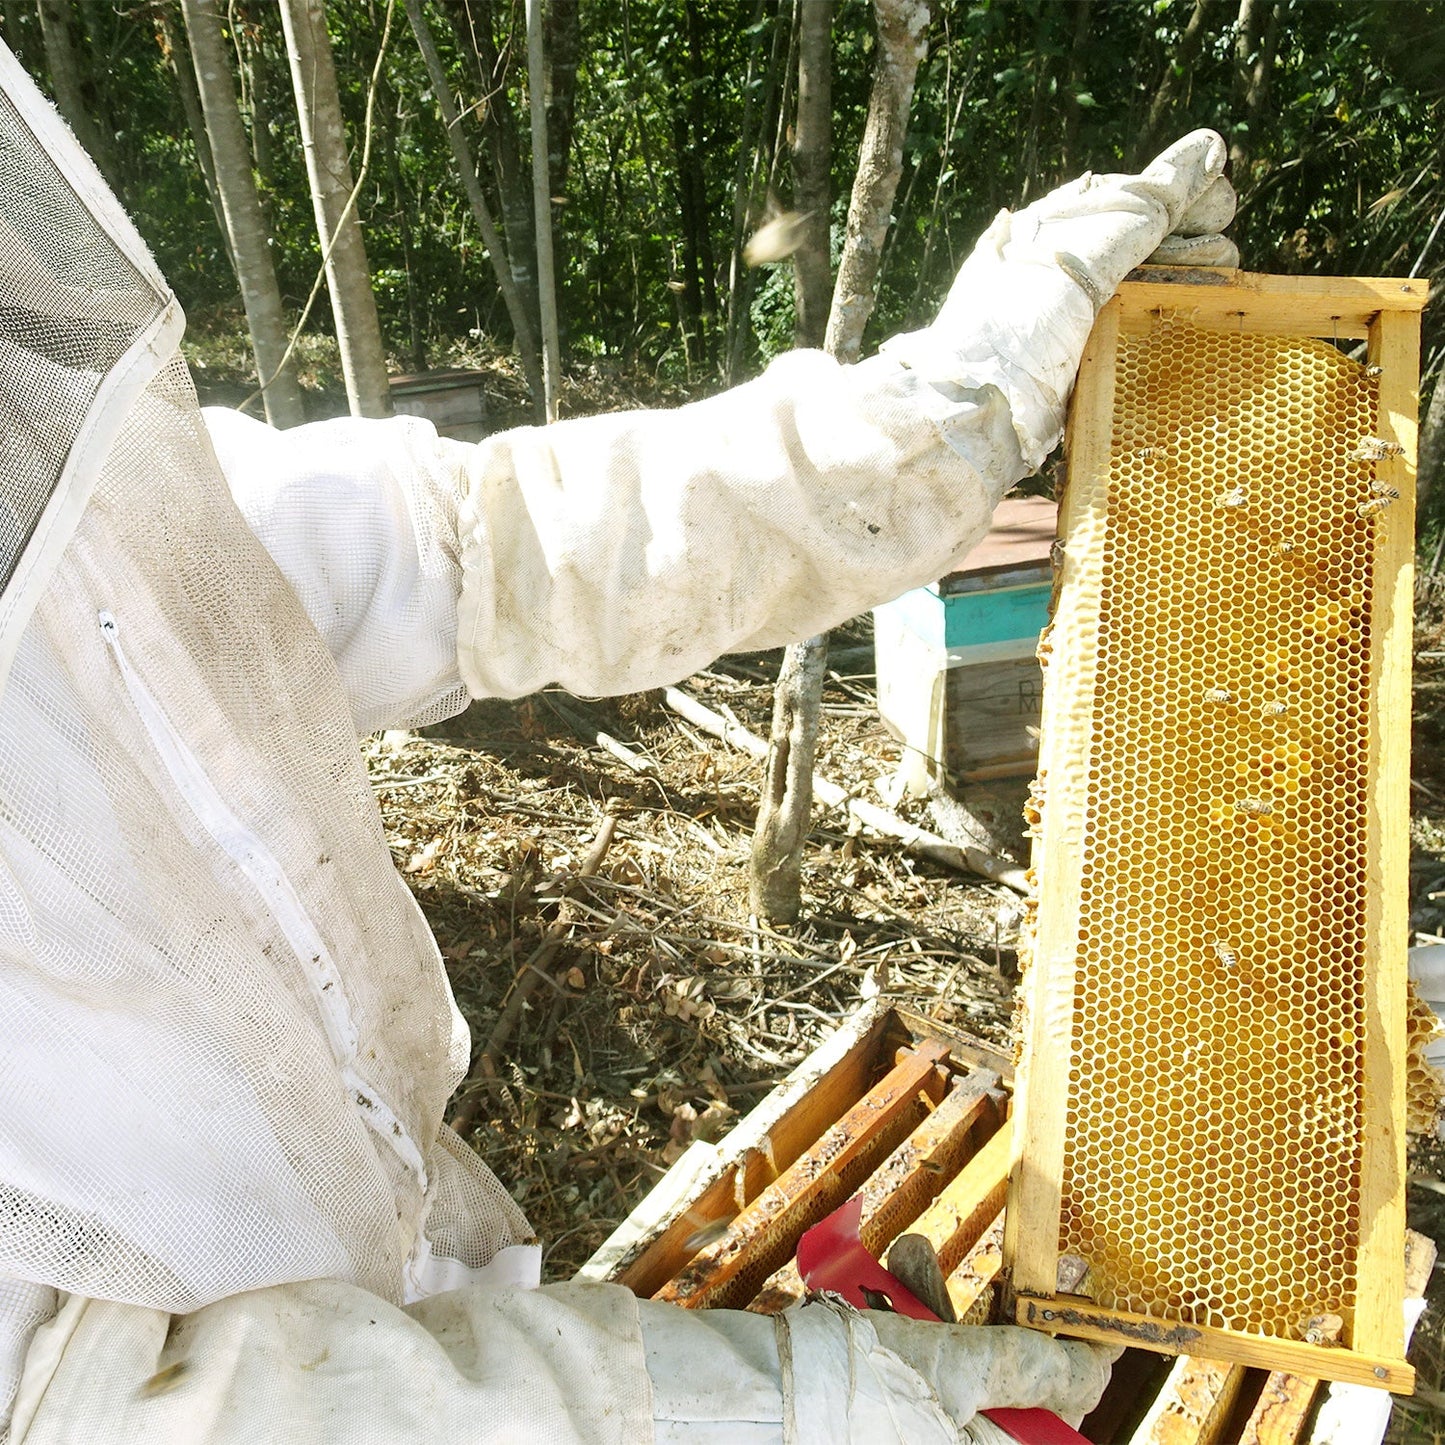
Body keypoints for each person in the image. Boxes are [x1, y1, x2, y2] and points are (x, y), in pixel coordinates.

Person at [0, 35, 1236, 1444]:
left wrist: (935, 419)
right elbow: (91, 1409)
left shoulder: (66, 474)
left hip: (408, 1276)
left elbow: (477, 547)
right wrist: (774, 1409)